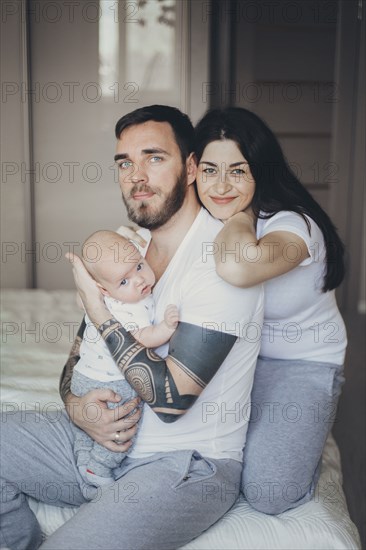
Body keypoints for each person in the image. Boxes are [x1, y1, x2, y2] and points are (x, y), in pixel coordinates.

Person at [0, 105, 263, 550]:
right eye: (125, 162)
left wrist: (95, 306)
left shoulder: (222, 262)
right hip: (101, 441)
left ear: (192, 168)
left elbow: (172, 400)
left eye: (154, 158)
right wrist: (75, 404)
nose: (136, 176)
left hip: (183, 463)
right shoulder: (129, 247)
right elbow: (81, 354)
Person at [193, 106, 347, 514]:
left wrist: (242, 215)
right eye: (210, 170)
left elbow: (238, 268)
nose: (221, 185)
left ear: (261, 171)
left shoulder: (294, 226)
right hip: (234, 359)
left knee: (269, 491)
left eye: (238, 171)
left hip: (301, 364)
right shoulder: (200, 220)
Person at [71, 229, 179, 486]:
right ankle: (99, 467)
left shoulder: (118, 279)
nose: (139, 280)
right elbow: (139, 339)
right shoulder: (126, 309)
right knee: (123, 425)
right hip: (111, 383)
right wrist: (165, 328)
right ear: (103, 291)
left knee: (87, 430)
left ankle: (82, 455)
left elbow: (130, 257)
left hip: (83, 376)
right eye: (124, 282)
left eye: (140, 267)